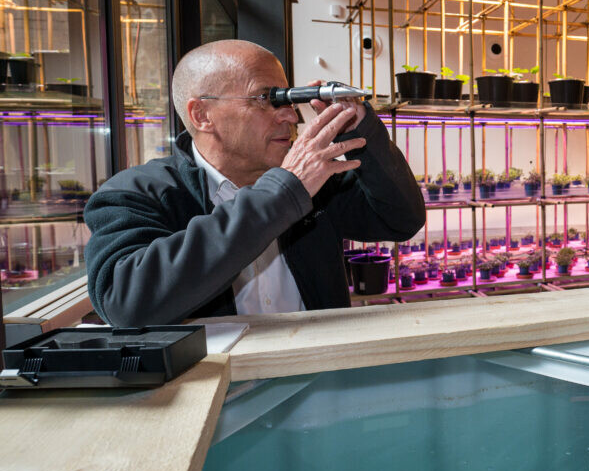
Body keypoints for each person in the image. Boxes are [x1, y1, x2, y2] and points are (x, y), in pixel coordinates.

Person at [84, 39, 425, 326]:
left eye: (287, 100)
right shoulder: (135, 193)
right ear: (202, 115)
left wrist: (362, 130)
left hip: (320, 382)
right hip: (221, 397)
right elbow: (125, 303)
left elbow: (401, 220)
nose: (291, 116)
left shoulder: (316, 182)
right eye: (265, 99)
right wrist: (282, 193)